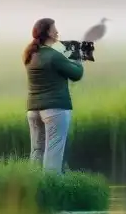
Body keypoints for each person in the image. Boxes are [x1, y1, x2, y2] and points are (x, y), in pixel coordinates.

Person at [23, 18, 83, 173]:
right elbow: (77, 74)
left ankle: (34, 187)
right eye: (54, 28)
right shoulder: (53, 56)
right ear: (48, 32)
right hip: (55, 110)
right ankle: (51, 188)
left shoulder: (31, 55)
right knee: (53, 155)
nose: (57, 31)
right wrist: (78, 57)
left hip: (33, 110)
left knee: (37, 151)